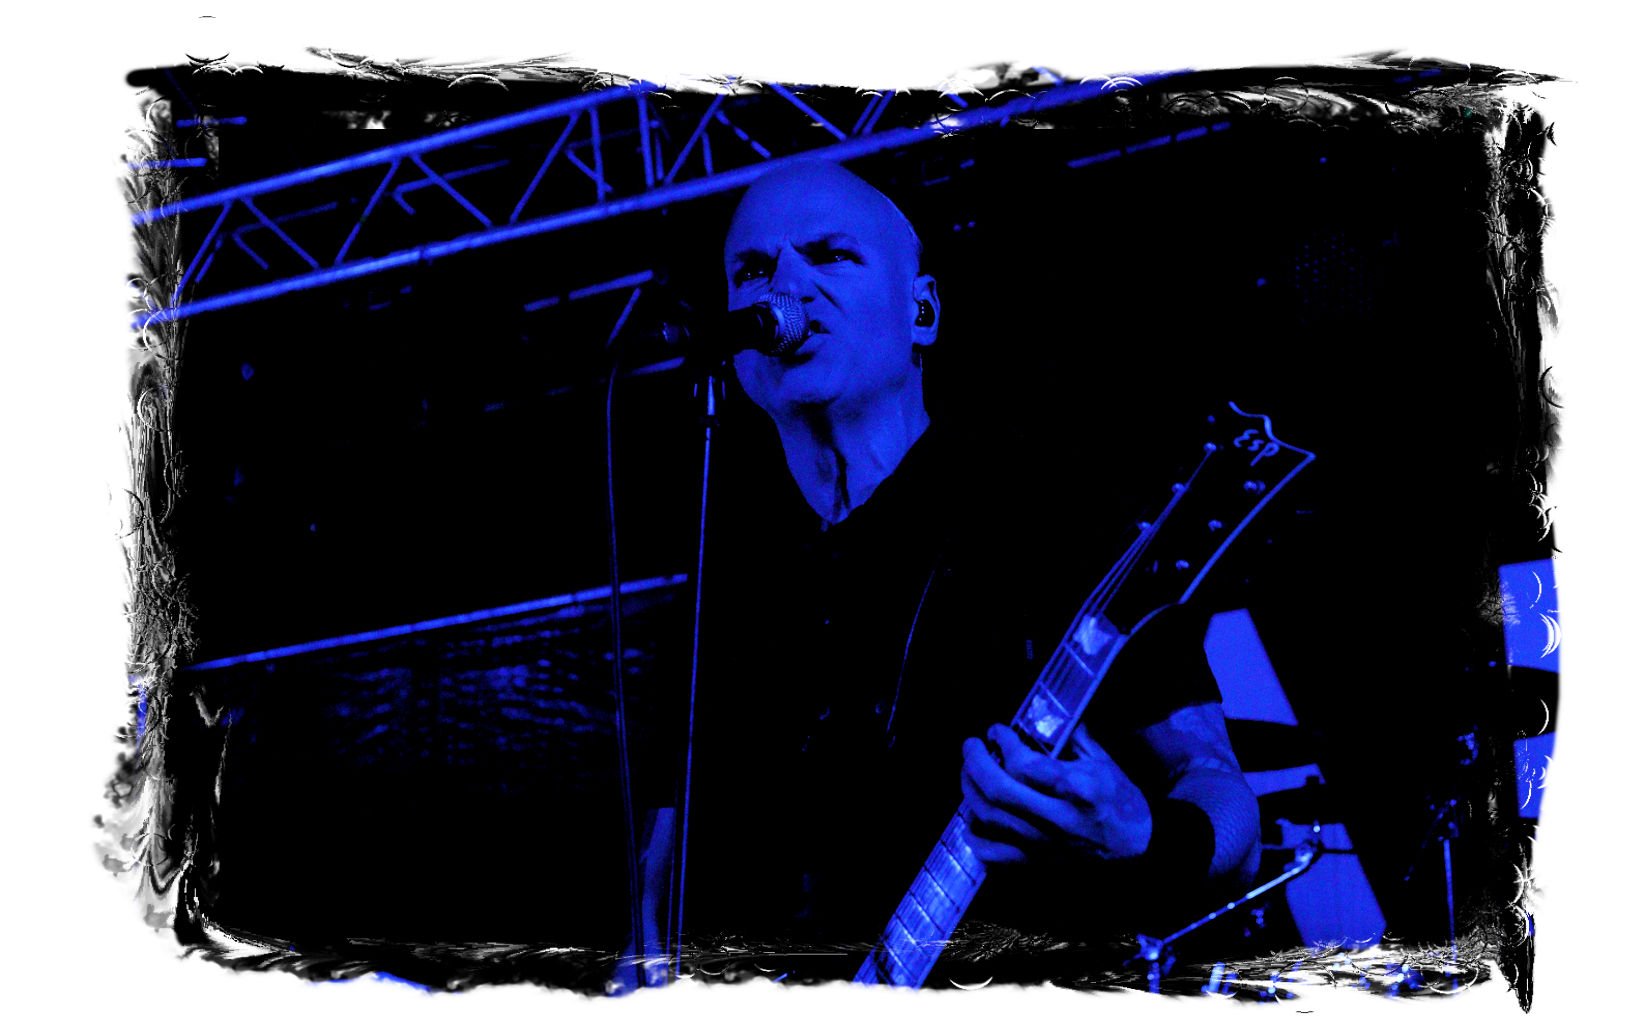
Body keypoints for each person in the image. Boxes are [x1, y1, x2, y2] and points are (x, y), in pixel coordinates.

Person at [623, 161, 1261, 988]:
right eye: (751, 270)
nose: (783, 288)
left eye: (829, 255)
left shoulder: (1053, 519)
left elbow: (1220, 794)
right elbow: (663, 864)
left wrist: (1142, 839)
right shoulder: (722, 586)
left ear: (921, 311)